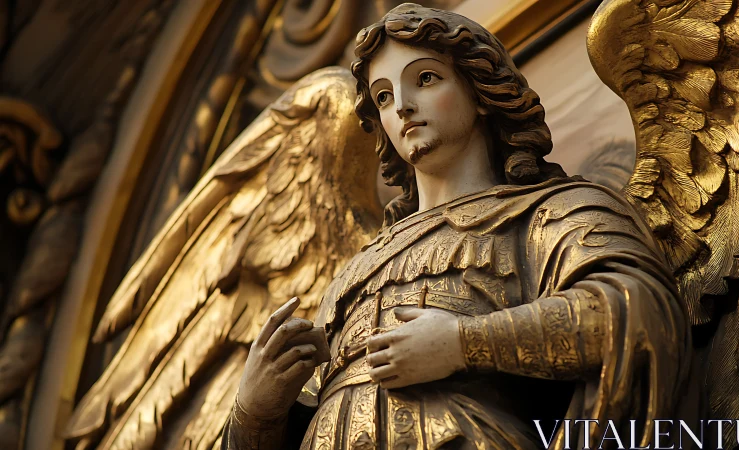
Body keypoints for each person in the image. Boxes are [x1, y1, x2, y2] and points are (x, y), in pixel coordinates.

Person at [221, 4, 690, 449]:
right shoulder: (352, 274)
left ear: (479, 91)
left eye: (425, 79)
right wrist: (257, 413)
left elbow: (633, 312)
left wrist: (463, 345)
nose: (402, 106)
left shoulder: (551, 213)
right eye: (384, 96)